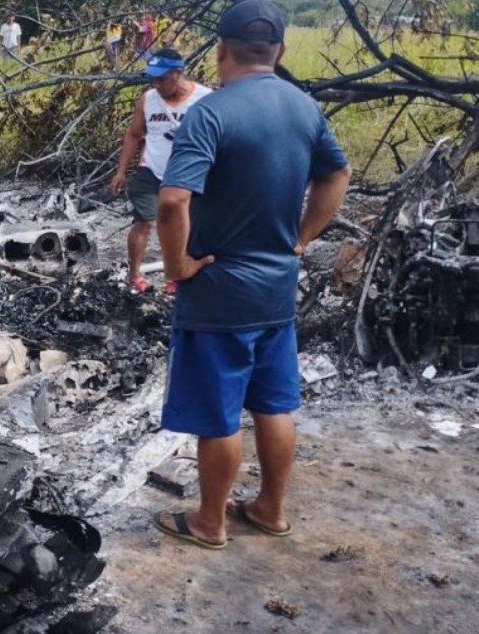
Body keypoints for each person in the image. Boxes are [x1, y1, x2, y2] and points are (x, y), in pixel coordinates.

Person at [151, 0, 352, 549]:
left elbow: (171, 202)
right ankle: (269, 509)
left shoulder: (209, 114)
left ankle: (210, 521)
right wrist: (303, 238)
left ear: (220, 51)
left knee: (218, 414)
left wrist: (178, 266)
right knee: (274, 403)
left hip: (218, 291)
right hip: (277, 290)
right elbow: (337, 173)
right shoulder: (304, 109)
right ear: (280, 51)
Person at [109, 49, 210, 294]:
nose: (156, 84)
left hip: (188, 174)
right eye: (152, 79)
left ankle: (174, 275)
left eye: (162, 78)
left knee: (183, 223)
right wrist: (121, 170)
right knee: (143, 221)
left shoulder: (205, 98)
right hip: (151, 170)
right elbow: (134, 134)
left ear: (178, 73)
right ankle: (134, 275)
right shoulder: (148, 99)